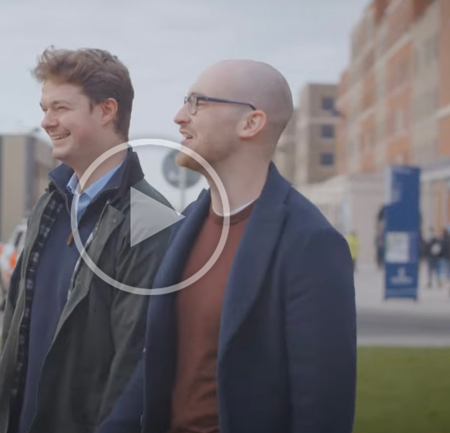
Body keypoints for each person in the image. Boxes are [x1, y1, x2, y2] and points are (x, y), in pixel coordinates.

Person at [99, 60, 356, 433]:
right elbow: (158, 364)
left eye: (196, 103)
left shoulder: (311, 244)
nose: (178, 117)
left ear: (251, 123)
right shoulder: (185, 225)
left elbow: (322, 410)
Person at [0, 48, 171, 433]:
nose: (46, 122)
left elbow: (137, 367)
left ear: (106, 110)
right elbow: (14, 342)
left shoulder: (152, 220)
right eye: (44, 108)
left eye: (61, 108)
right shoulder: (49, 204)